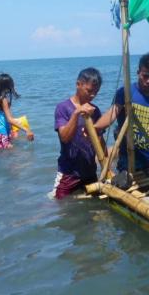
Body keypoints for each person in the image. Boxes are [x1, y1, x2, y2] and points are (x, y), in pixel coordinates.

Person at [95, 53, 149, 172]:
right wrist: (96, 127)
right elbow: (112, 114)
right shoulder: (126, 92)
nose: (148, 81)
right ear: (138, 72)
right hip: (129, 159)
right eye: (145, 76)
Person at [52, 68, 105, 199]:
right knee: (59, 206)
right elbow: (64, 138)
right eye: (89, 91)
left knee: (93, 210)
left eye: (96, 92)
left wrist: (106, 167)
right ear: (78, 84)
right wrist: (76, 113)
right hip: (68, 173)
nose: (92, 95)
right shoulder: (63, 108)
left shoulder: (95, 110)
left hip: (90, 172)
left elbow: (100, 141)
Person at [0, 73, 35, 149]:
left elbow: (3, 118)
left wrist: (11, 130)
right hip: (2, 134)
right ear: (7, 86)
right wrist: (27, 130)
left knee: (7, 155)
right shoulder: (3, 99)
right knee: (16, 155)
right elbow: (9, 119)